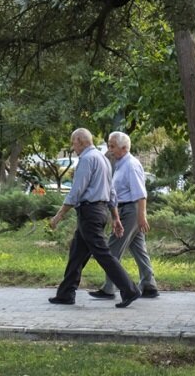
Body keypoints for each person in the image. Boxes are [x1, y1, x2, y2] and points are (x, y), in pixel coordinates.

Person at [48, 128, 140, 308]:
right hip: (98, 212)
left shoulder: (87, 159)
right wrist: (115, 217)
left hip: (89, 213)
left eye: (73, 143)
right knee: (76, 253)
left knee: (103, 254)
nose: (73, 147)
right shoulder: (104, 160)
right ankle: (66, 293)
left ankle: (129, 290)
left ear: (81, 141)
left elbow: (76, 191)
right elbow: (111, 191)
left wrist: (59, 215)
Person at [87, 131, 159, 301]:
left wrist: (141, 217)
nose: (109, 149)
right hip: (126, 209)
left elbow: (140, 194)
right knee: (138, 249)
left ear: (124, 148)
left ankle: (109, 288)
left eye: (112, 146)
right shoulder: (120, 163)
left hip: (131, 211)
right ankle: (149, 285)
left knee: (112, 249)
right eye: (108, 145)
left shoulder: (131, 165)